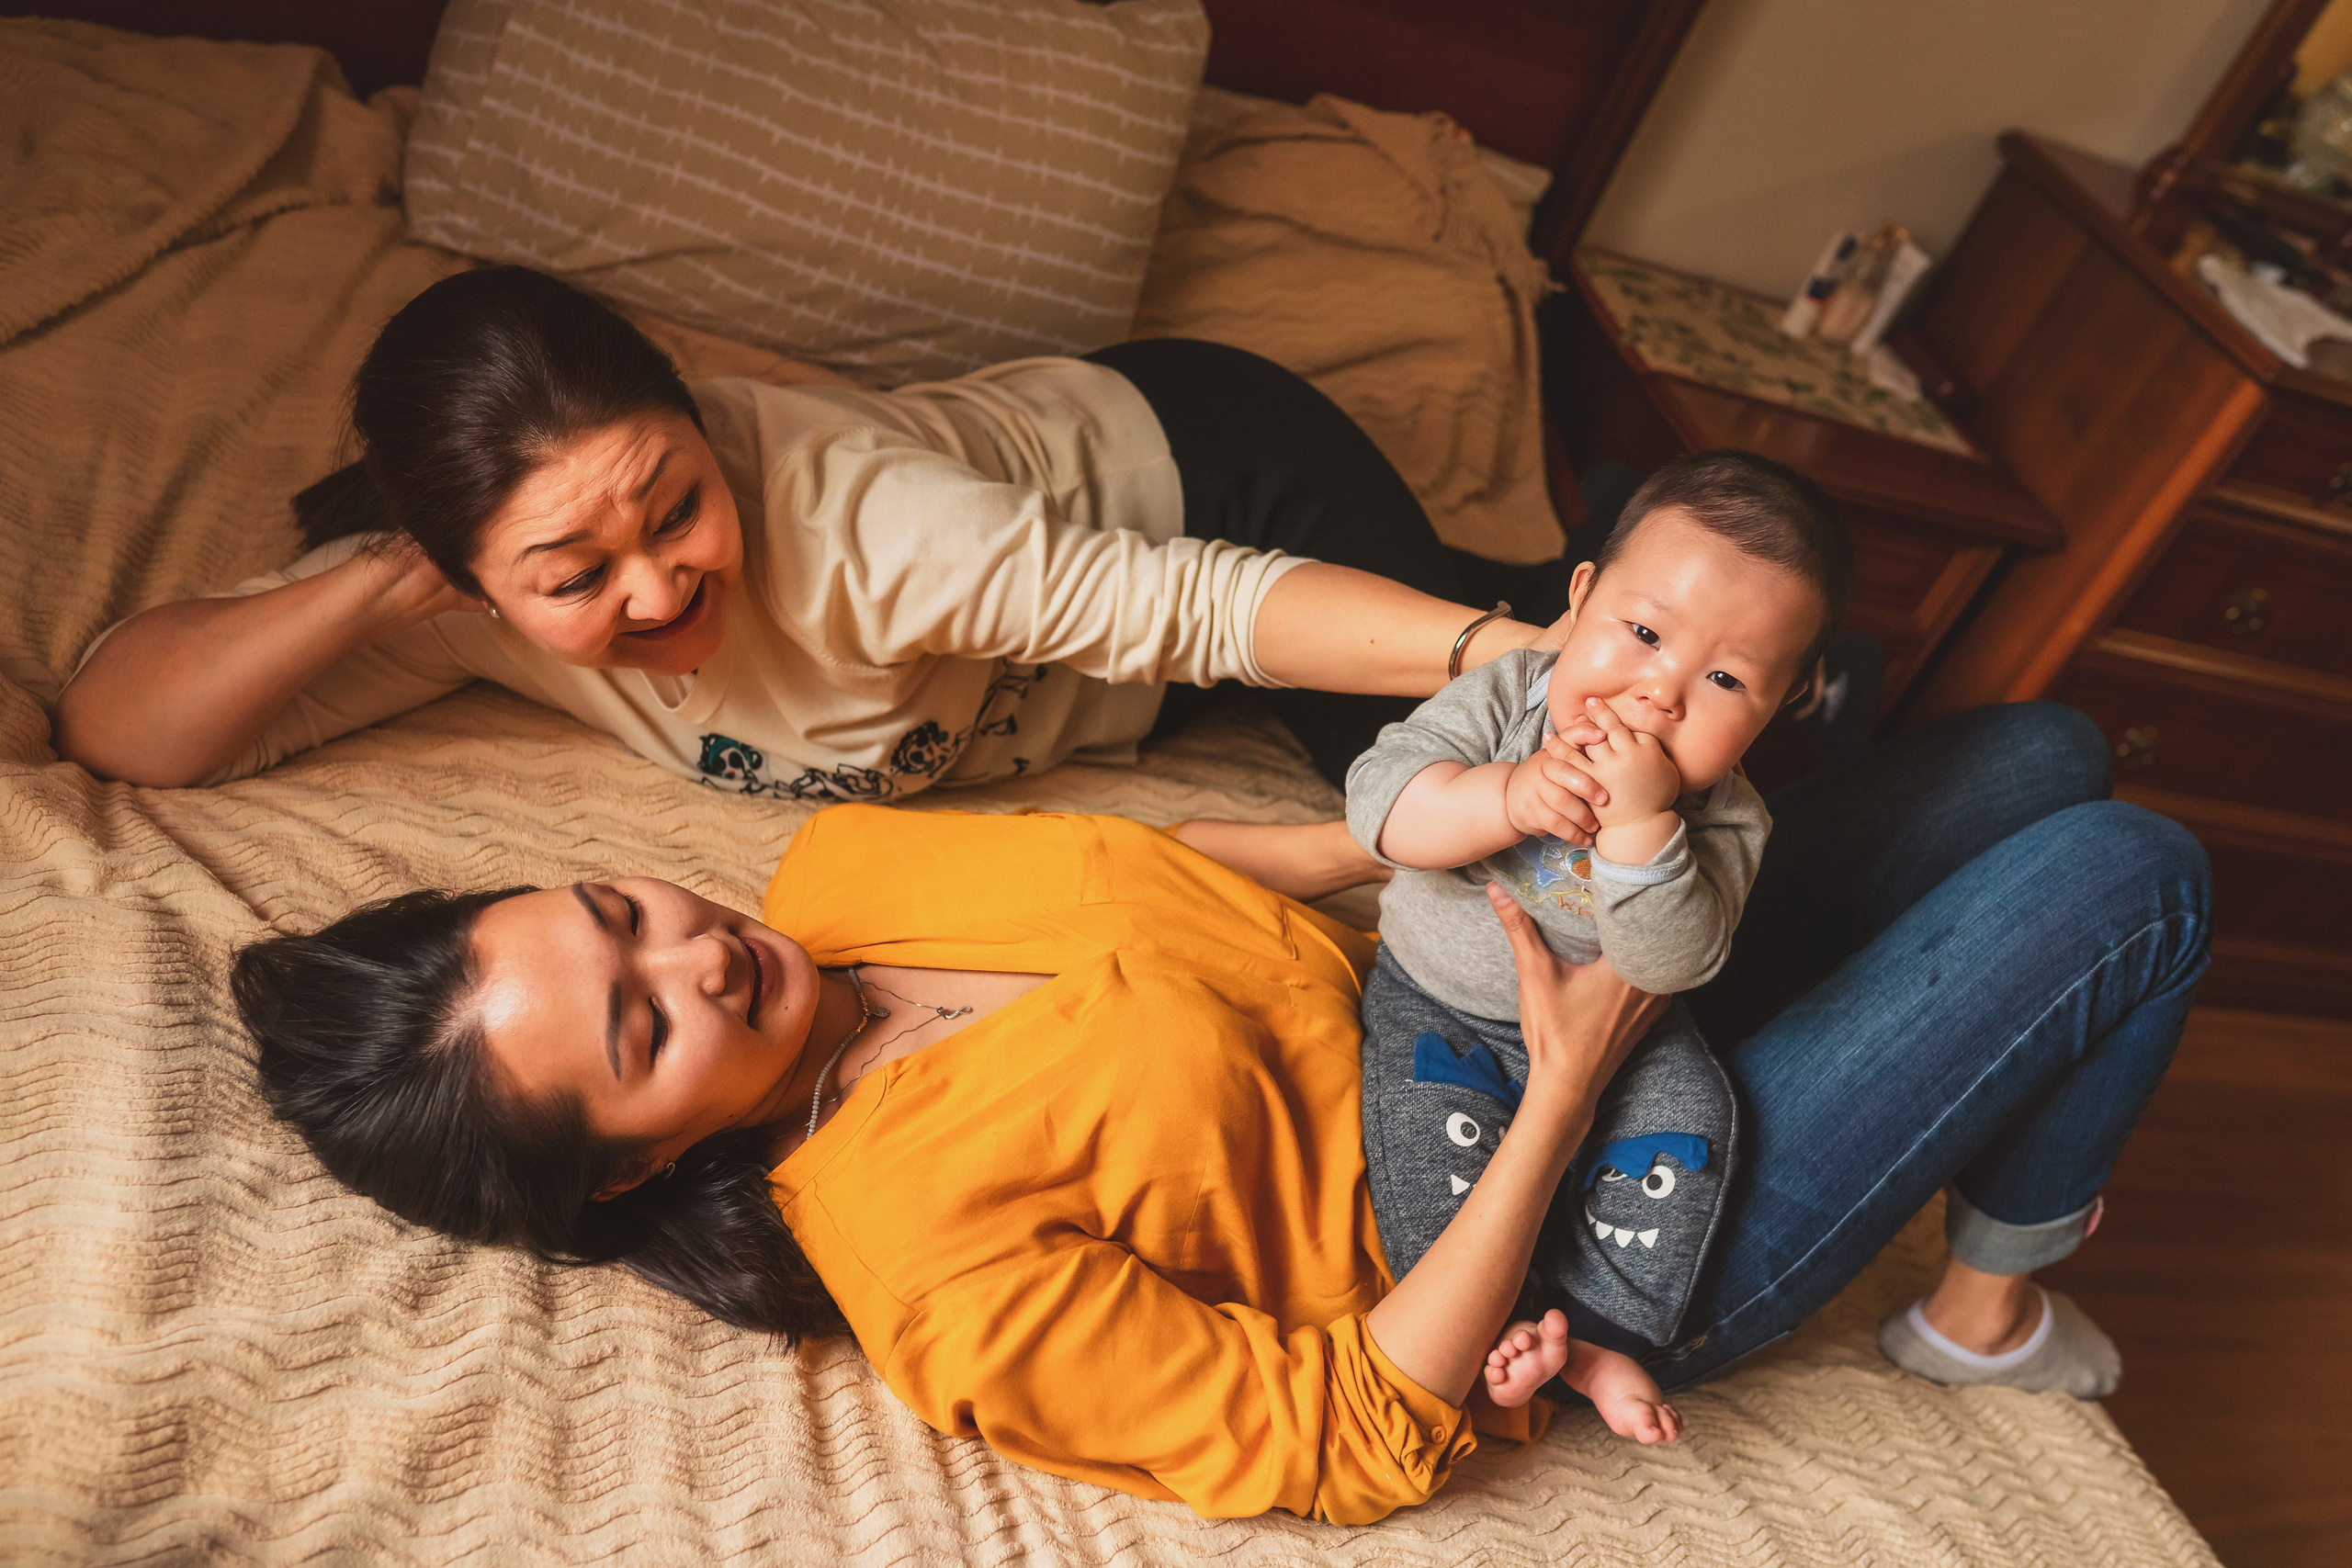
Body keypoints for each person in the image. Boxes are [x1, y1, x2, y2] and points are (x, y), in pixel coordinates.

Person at [228, 700, 2210, 1524]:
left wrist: (1458, 822)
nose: (694, 954)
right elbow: (1350, 1438)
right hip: (1571, 1194)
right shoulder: (922, 1268)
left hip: (1476, 961)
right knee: (2124, 868)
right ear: (649, 1160)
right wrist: (1575, 1072)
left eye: (618, 916)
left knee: (2042, 743)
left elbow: (1150, 864)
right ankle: (1993, 1312)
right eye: (641, 1031)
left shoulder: (830, 878)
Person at [51, 265, 1571, 796]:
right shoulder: (451, 602)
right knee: (1483, 634)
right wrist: (388, 585)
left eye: (678, 505)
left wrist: (1513, 658)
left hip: (1211, 476)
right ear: (472, 585)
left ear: (704, 428)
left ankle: (1656, 626)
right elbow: (127, 728)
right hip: (1124, 673)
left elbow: (1197, 607)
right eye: (577, 578)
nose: (659, 585)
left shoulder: (859, 523)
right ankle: (1623, 581)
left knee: (1474, 771)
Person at [1340, 451, 1848, 1438]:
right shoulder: (1503, 702)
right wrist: (1503, 795)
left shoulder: (1726, 819)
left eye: (1725, 678)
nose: (1659, 693)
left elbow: (1670, 966)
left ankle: (1606, 1332)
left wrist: (1640, 832)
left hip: (1627, 1041)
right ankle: (1499, 1321)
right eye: (1645, 632)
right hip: (1440, 1002)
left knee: (1695, 1120)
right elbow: (1377, 807)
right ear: (1582, 598)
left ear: (1779, 706)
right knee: (1423, 1131)